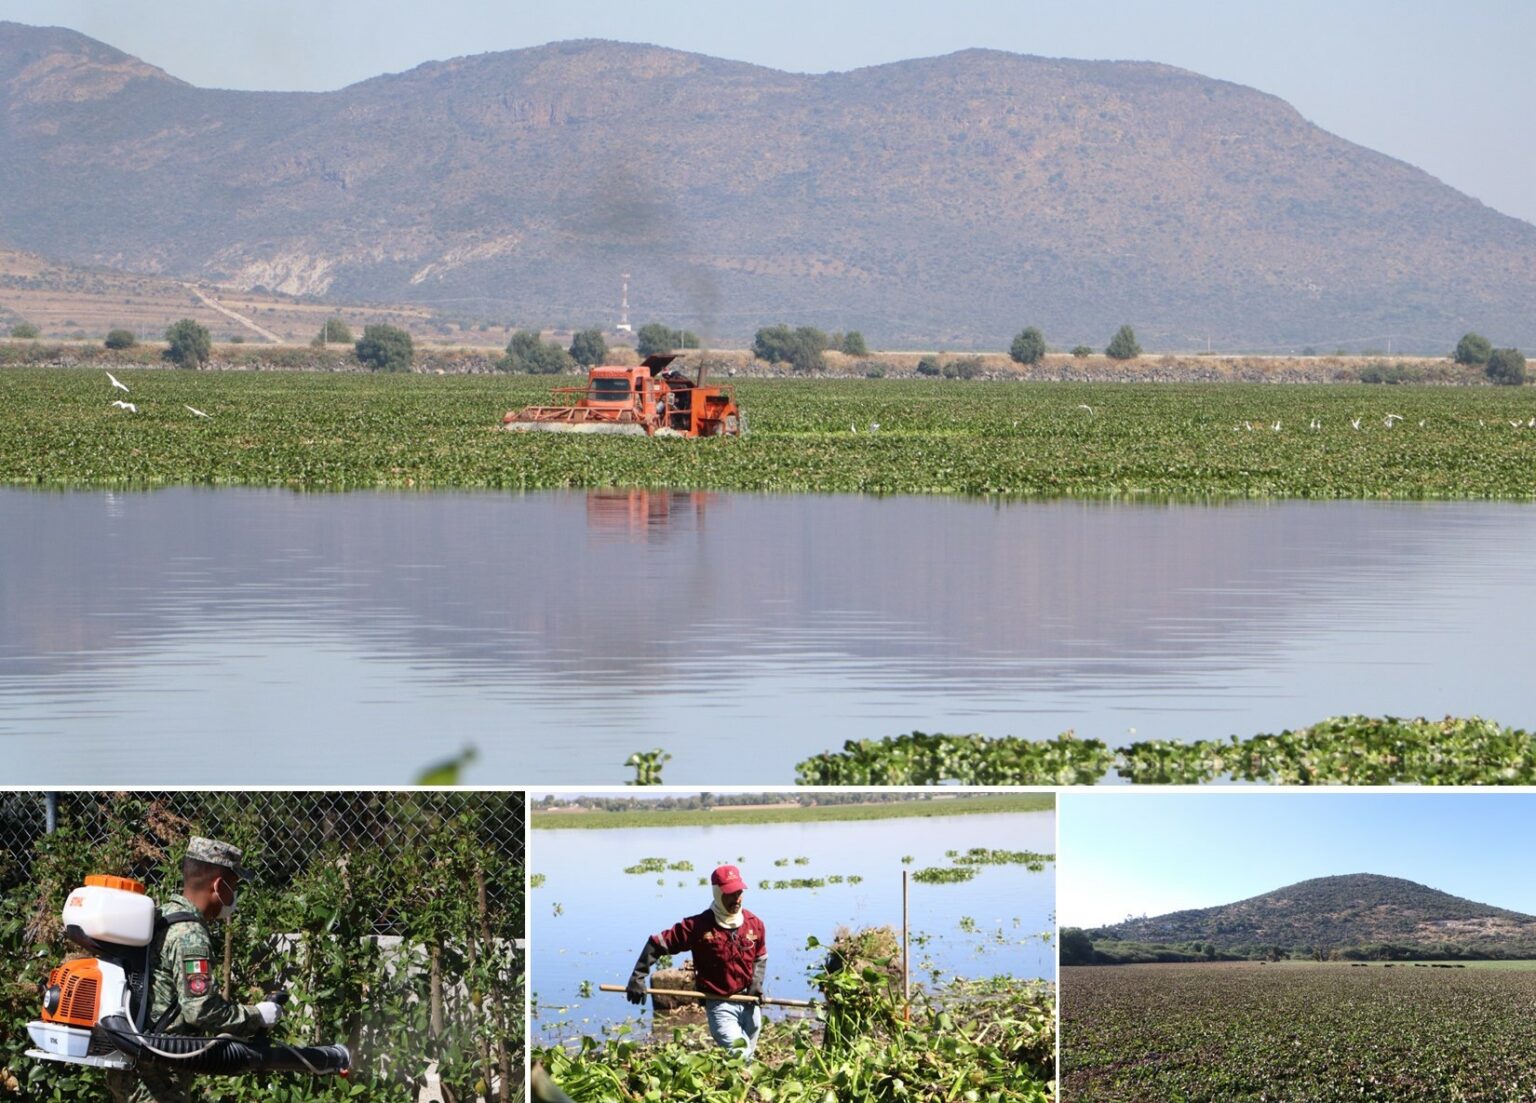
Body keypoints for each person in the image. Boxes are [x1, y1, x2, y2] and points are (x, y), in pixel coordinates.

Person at [106, 837, 282, 1103]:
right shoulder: (190, 934)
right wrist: (257, 1015)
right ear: (219, 886)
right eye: (234, 886)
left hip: (131, 1063)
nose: (234, 896)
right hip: (159, 1076)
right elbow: (200, 1009)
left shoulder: (163, 915)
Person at [627, 864, 768, 1060]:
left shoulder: (754, 924)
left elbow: (760, 957)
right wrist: (638, 975)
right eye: (730, 894)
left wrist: (756, 984)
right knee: (740, 1055)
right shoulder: (698, 926)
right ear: (718, 893)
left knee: (747, 1055)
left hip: (749, 1002)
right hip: (720, 1003)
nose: (736, 899)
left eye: (739, 892)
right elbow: (658, 943)